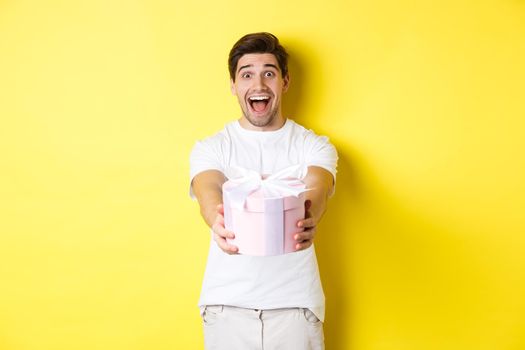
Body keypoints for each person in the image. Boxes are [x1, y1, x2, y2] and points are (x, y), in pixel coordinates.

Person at [189, 32, 338, 350]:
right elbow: (208, 186)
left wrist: (308, 210)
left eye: (269, 73)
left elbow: (318, 184)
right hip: (227, 308)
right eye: (247, 75)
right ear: (233, 85)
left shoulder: (314, 145)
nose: (258, 85)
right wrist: (217, 218)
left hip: (295, 308)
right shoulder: (212, 148)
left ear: (285, 81)